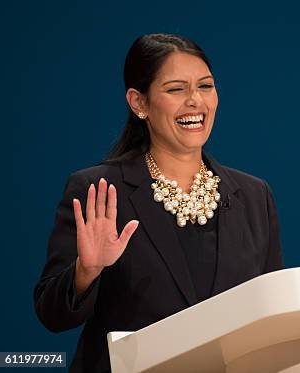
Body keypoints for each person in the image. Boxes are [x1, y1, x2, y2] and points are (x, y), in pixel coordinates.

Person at [33, 33, 284, 373]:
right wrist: (86, 272)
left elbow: (272, 315)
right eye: (176, 89)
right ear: (139, 103)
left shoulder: (254, 196)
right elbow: (52, 315)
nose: (195, 101)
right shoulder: (100, 191)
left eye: (206, 86)